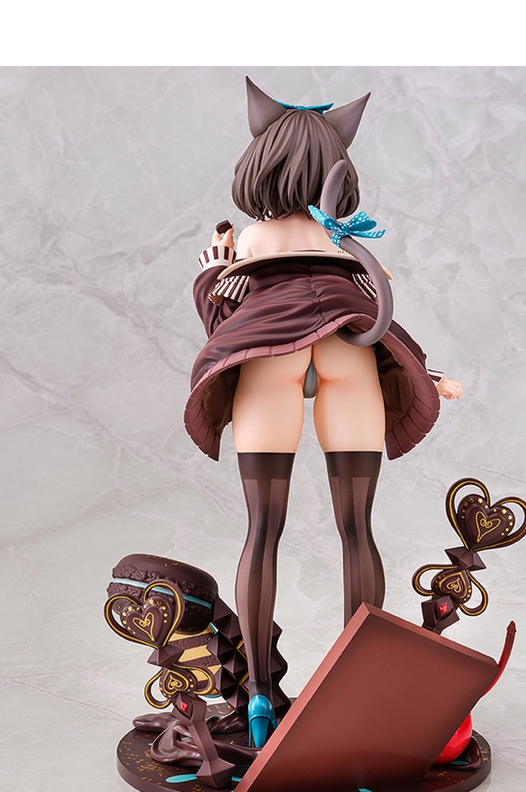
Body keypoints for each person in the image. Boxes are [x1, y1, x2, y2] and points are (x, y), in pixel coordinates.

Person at [184, 78, 462, 747]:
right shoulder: (345, 239)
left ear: (262, 162)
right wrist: (424, 369)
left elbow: (225, 325)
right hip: (347, 357)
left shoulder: (252, 239)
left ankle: (257, 694)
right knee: (356, 528)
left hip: (269, 362)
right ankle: (356, 689)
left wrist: (210, 275)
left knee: (263, 529)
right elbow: (377, 316)